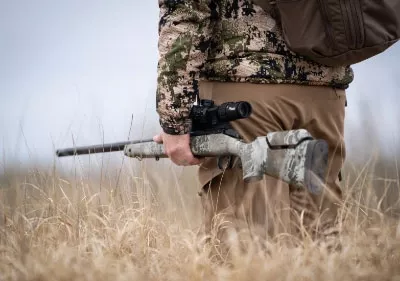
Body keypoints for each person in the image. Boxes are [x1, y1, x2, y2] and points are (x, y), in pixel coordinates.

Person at [153, 0, 353, 249]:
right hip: (326, 93)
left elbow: (185, 12)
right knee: (321, 245)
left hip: (244, 87)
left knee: (242, 250)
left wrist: (175, 120)